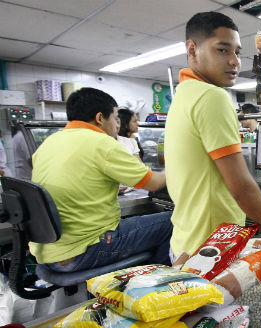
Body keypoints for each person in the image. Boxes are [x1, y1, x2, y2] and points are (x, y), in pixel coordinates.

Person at [164, 11, 261, 264]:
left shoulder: (184, 93)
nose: (234, 61)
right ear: (193, 49)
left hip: (184, 244)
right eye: (222, 50)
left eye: (237, 52)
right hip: (210, 250)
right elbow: (241, 188)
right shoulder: (212, 97)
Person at [29, 87, 172, 272]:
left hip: (48, 253)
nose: (116, 125)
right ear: (100, 118)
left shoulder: (49, 142)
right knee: (173, 221)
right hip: (86, 249)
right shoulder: (101, 142)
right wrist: (176, 166)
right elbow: (154, 183)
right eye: (114, 118)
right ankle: (157, 284)